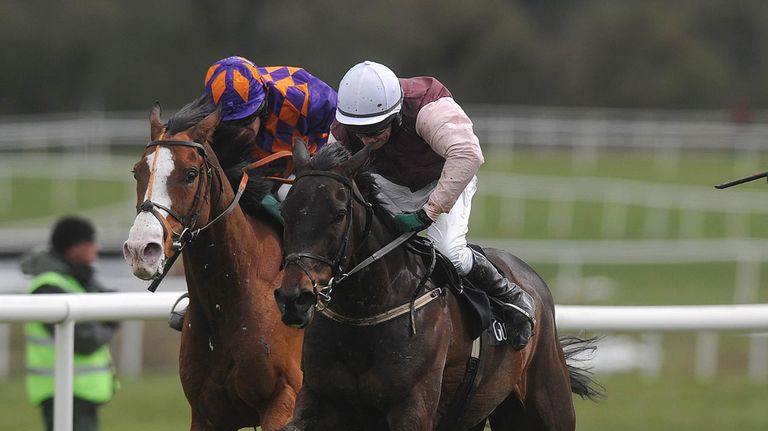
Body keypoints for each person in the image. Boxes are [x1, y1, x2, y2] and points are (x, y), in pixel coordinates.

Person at [329, 61, 535, 350]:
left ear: (396, 114)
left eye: (375, 130)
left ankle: (511, 297)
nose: (367, 140)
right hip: (388, 185)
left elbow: (468, 155)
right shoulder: (342, 129)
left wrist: (429, 212)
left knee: (448, 251)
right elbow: (332, 177)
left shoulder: (428, 106)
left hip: (443, 178)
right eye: (359, 132)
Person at [168, 56, 338, 330]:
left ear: (263, 105)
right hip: (251, 170)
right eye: (232, 124)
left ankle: (323, 288)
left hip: (304, 167)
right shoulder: (208, 111)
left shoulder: (308, 95)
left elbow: (343, 134)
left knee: (299, 210)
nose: (243, 131)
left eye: (247, 120)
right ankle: (203, 298)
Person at [21, 216, 119, 431]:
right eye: (90, 241)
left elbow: (115, 308)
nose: (97, 247)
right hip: (64, 392)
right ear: (74, 247)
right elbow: (85, 340)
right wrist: (107, 327)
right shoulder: (48, 286)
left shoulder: (77, 279)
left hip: (78, 393)